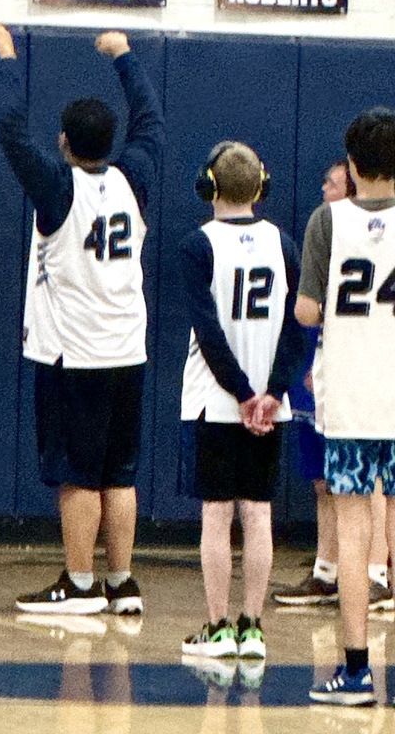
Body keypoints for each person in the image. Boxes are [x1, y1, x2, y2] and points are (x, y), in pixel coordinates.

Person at [0, 24, 163, 616]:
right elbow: (151, 120)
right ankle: (122, 581)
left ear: (63, 141)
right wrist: (123, 56)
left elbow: (10, 128)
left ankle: (80, 584)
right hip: (127, 350)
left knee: (77, 475)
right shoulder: (133, 177)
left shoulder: (58, 187)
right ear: (110, 141)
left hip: (75, 353)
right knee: (120, 473)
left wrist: (8, 57)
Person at [179, 142, 304, 663]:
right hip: (268, 409)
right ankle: (253, 627)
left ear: (209, 186)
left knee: (216, 514)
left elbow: (207, 331)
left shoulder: (197, 244)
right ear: (261, 186)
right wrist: (272, 394)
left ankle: (217, 626)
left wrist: (243, 394)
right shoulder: (285, 243)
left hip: (217, 401)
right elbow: (300, 330)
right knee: (258, 513)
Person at [297, 107, 395, 706]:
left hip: (356, 396)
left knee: (355, 531)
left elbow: (307, 312)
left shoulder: (326, 222)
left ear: (352, 165)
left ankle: (356, 670)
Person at [273, 160, 392, 611]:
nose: (324, 188)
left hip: (362, 369)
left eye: (333, 182)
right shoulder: (327, 232)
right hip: (325, 360)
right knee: (326, 478)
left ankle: (375, 572)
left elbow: (311, 308)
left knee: (370, 480)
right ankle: (328, 568)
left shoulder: (366, 231)